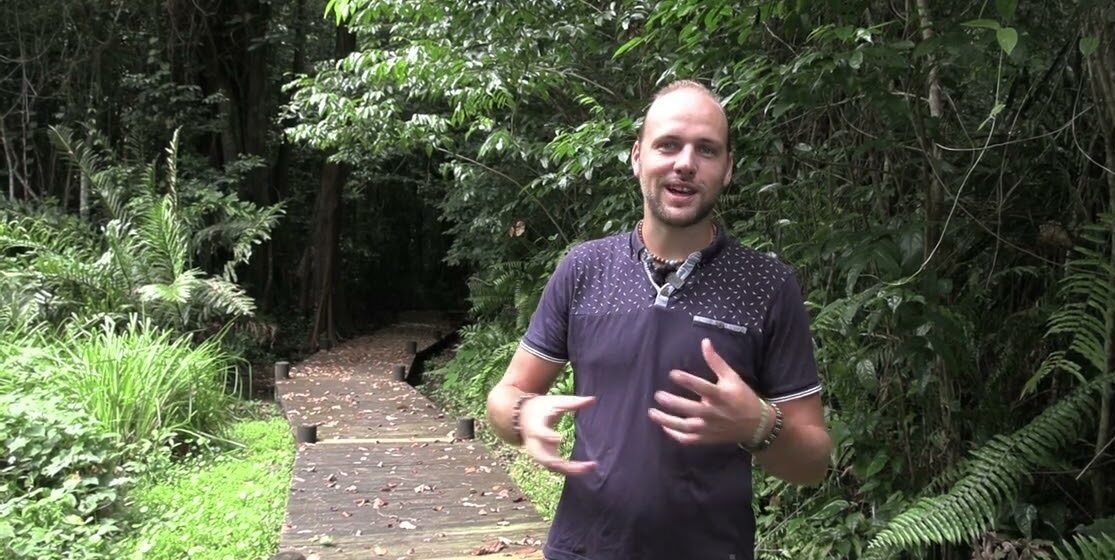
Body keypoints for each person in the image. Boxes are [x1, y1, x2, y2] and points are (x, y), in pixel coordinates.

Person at [486, 80, 832, 560]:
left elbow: (814, 462)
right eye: (668, 144)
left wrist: (760, 425)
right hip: (582, 549)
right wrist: (524, 415)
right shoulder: (583, 269)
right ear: (637, 157)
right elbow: (503, 398)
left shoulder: (768, 285)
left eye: (706, 150)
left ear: (728, 169)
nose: (685, 163)